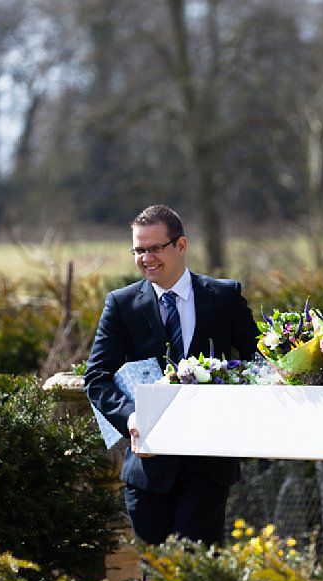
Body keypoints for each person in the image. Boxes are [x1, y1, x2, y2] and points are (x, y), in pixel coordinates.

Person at [85, 204, 258, 547]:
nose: (145, 258)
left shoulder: (224, 297)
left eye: (154, 248)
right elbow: (96, 378)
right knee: (157, 580)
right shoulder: (121, 304)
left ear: (181, 245)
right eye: (138, 250)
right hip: (148, 468)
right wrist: (131, 417)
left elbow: (261, 362)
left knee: (199, 575)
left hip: (208, 463)